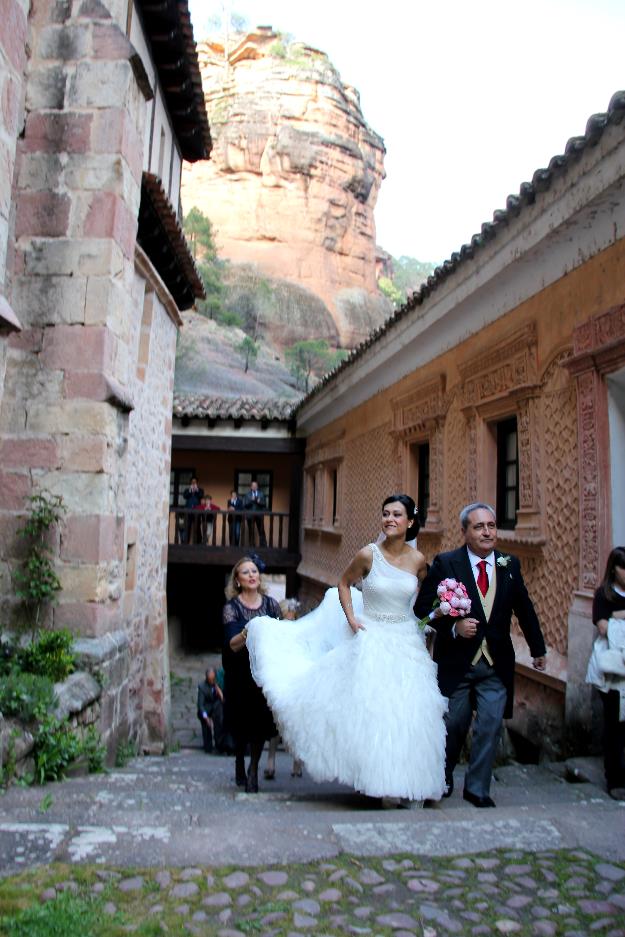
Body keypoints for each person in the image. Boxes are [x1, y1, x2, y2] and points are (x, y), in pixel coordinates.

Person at [246, 494, 447, 802]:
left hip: (406, 642)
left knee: (409, 712)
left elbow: (426, 599)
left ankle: (408, 782)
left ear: (410, 522)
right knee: (376, 712)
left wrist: (439, 611)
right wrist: (353, 619)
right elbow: (343, 583)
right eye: (385, 514)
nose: (389, 519)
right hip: (373, 637)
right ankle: (376, 782)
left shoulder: (419, 561)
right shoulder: (368, 554)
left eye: (396, 514)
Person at [415, 502, 546, 808]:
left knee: (490, 726)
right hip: (457, 663)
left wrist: (538, 649)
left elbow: (524, 609)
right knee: (453, 725)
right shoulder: (447, 563)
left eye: (491, 525)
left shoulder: (508, 565)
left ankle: (477, 788)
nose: (487, 532)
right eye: (479, 526)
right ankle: (442, 778)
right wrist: (452, 627)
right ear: (465, 532)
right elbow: (423, 608)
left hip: (495, 664)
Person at [222, 556, 281, 792]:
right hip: (239, 673)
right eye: (245, 572)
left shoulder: (271, 605)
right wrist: (251, 630)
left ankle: (253, 769)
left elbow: (279, 636)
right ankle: (239, 758)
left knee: (258, 723)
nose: (251, 575)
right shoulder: (231, 608)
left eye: (254, 571)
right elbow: (232, 644)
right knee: (240, 723)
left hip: (261, 674)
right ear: (237, 580)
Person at [590, 546, 625, 801]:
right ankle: (614, 778)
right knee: (613, 725)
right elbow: (602, 627)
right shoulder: (604, 595)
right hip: (613, 669)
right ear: (614, 568)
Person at [264, 598, 304, 781]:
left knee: (296, 723)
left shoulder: (301, 634)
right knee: (275, 722)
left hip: (296, 681)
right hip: (280, 680)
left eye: (292, 619)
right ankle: (271, 759)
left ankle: (297, 760)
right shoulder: (275, 634)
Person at [196, 667, 224, 753]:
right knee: (205, 723)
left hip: (217, 708)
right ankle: (208, 746)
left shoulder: (219, 684)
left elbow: (223, 699)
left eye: (213, 679)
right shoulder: (202, 687)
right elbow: (200, 705)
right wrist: (206, 717)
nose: (211, 681)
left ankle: (220, 744)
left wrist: (219, 691)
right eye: (210, 679)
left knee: (220, 720)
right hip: (206, 709)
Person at [244, 481, 267, 547]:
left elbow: (264, 504)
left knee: (261, 530)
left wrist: (259, 502)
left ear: (257, 486)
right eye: (253, 486)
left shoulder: (261, 494)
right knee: (251, 531)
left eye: (255, 485)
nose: (254, 487)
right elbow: (245, 505)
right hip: (250, 515)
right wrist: (251, 500)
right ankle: (251, 545)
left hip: (259, 515)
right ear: (251, 487)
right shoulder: (247, 495)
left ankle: (263, 546)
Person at [182, 477, 203, 543]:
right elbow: (185, 496)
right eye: (192, 482)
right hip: (188, 511)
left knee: (197, 527)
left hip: (197, 511)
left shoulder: (200, 490)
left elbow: (201, 496)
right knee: (187, 527)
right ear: (190, 483)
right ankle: (186, 542)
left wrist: (196, 490)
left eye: (195, 482)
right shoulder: (187, 490)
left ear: (197, 483)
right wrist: (190, 490)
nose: (193, 483)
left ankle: (198, 543)